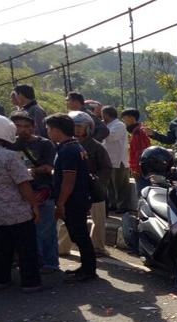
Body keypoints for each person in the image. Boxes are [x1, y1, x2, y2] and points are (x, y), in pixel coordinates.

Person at [45, 113, 97, 283]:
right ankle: (86, 267)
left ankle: (89, 270)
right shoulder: (75, 146)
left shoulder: (68, 150)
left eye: (49, 129)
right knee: (79, 235)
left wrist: (60, 204)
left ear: (56, 130)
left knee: (80, 235)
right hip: (79, 198)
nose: (48, 132)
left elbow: (69, 180)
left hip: (73, 200)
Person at [0, 114, 42, 293]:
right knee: (26, 250)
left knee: (0, 250)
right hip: (17, 212)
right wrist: (34, 206)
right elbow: (23, 184)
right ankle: (31, 283)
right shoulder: (10, 156)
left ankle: (0, 280)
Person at [9, 111, 59, 274]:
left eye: (26, 126)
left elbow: (50, 167)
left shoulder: (45, 144)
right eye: (18, 126)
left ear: (34, 127)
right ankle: (32, 262)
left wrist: (34, 171)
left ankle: (50, 263)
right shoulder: (8, 144)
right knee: (24, 232)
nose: (22, 130)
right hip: (17, 195)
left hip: (42, 193)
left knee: (46, 230)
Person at [59, 111, 112, 258]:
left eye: (80, 126)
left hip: (94, 189)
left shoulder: (96, 146)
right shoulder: (65, 146)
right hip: (73, 189)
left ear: (88, 128)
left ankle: (98, 248)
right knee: (68, 219)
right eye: (74, 126)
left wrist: (94, 179)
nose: (77, 129)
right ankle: (62, 247)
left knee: (99, 220)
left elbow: (107, 168)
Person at [101, 106, 130, 213]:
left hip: (119, 160)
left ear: (107, 115)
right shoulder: (109, 125)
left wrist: (102, 128)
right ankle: (113, 204)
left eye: (103, 114)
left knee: (120, 185)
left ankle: (122, 206)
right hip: (109, 160)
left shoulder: (119, 125)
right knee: (110, 185)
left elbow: (110, 137)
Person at [120, 108, 152, 197]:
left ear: (132, 118)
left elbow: (139, 152)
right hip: (144, 166)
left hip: (141, 168)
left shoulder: (137, 131)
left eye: (125, 118)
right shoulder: (140, 129)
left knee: (142, 192)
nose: (124, 121)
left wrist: (136, 169)